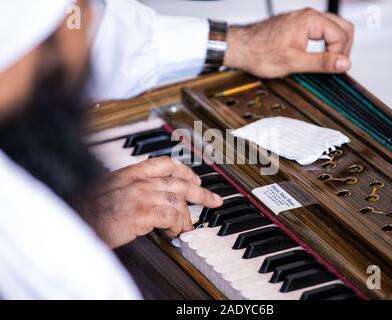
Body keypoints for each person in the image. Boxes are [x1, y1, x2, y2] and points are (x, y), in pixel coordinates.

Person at [0, 0, 354, 299]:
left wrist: (241, 43)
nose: (90, 20)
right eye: (84, 7)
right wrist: (76, 229)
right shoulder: (46, 262)